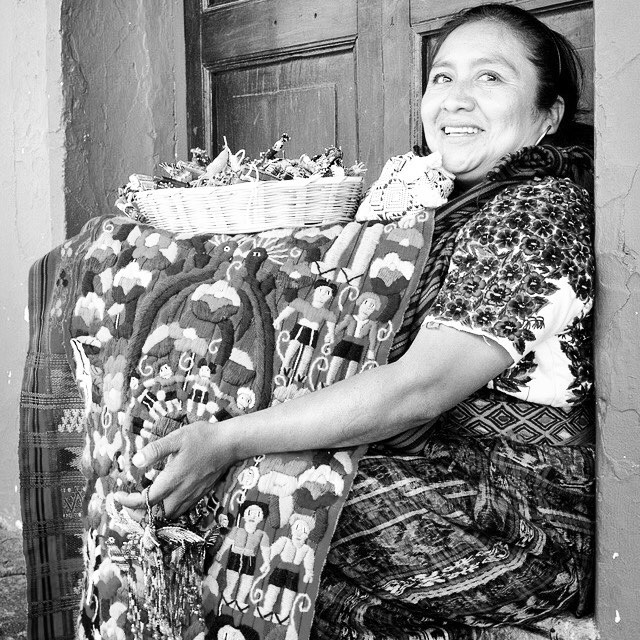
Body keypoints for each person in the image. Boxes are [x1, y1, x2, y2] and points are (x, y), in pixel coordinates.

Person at [113, 4, 595, 638]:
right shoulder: (422, 199)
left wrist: (228, 440)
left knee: (259, 494)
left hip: (516, 517)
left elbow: (419, 389)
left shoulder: (537, 213)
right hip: (424, 467)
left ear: (548, 116)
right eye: (443, 77)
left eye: (491, 79)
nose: (455, 100)